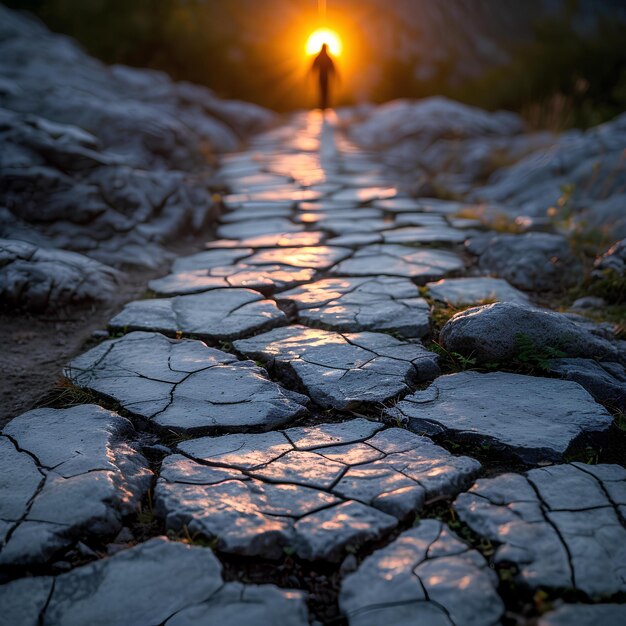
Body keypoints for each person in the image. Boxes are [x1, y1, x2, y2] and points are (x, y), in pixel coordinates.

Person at [311, 43, 336, 110]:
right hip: (322, 78)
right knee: (324, 92)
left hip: (323, 78)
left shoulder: (320, 57)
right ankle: (323, 106)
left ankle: (324, 106)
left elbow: (333, 69)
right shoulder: (327, 58)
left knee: (324, 92)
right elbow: (313, 67)